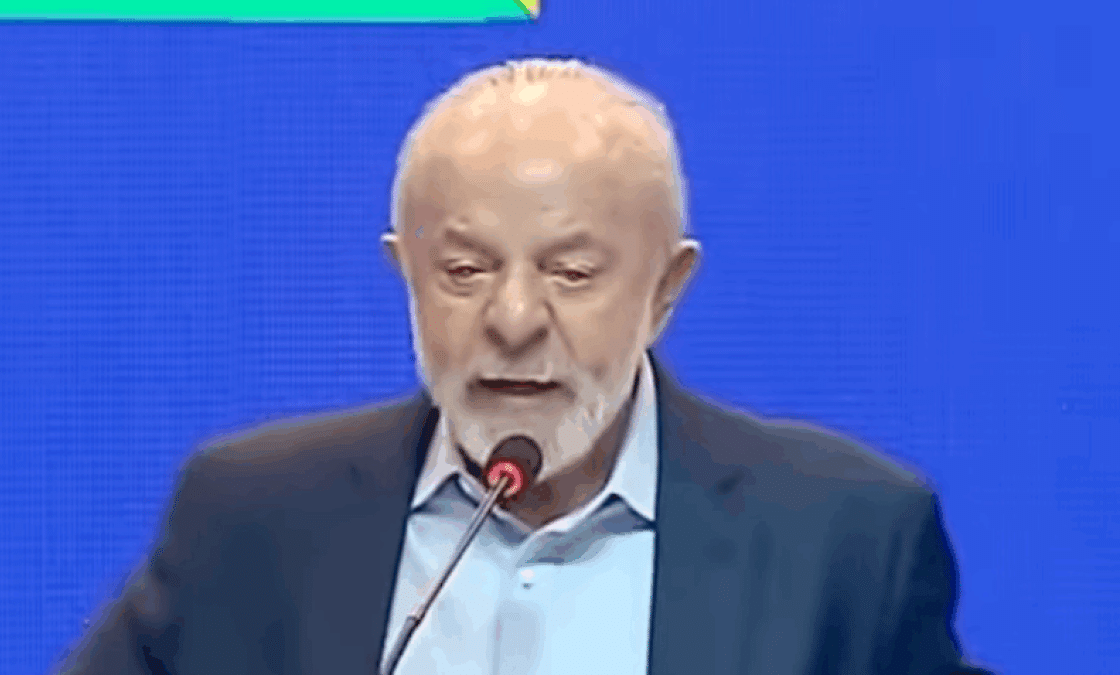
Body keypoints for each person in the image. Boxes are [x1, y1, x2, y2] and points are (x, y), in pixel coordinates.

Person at [54, 58, 995, 675]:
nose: (512, 320)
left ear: (665, 290)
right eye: (463, 271)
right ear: (406, 274)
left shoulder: (844, 541)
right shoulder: (253, 518)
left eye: (571, 273)